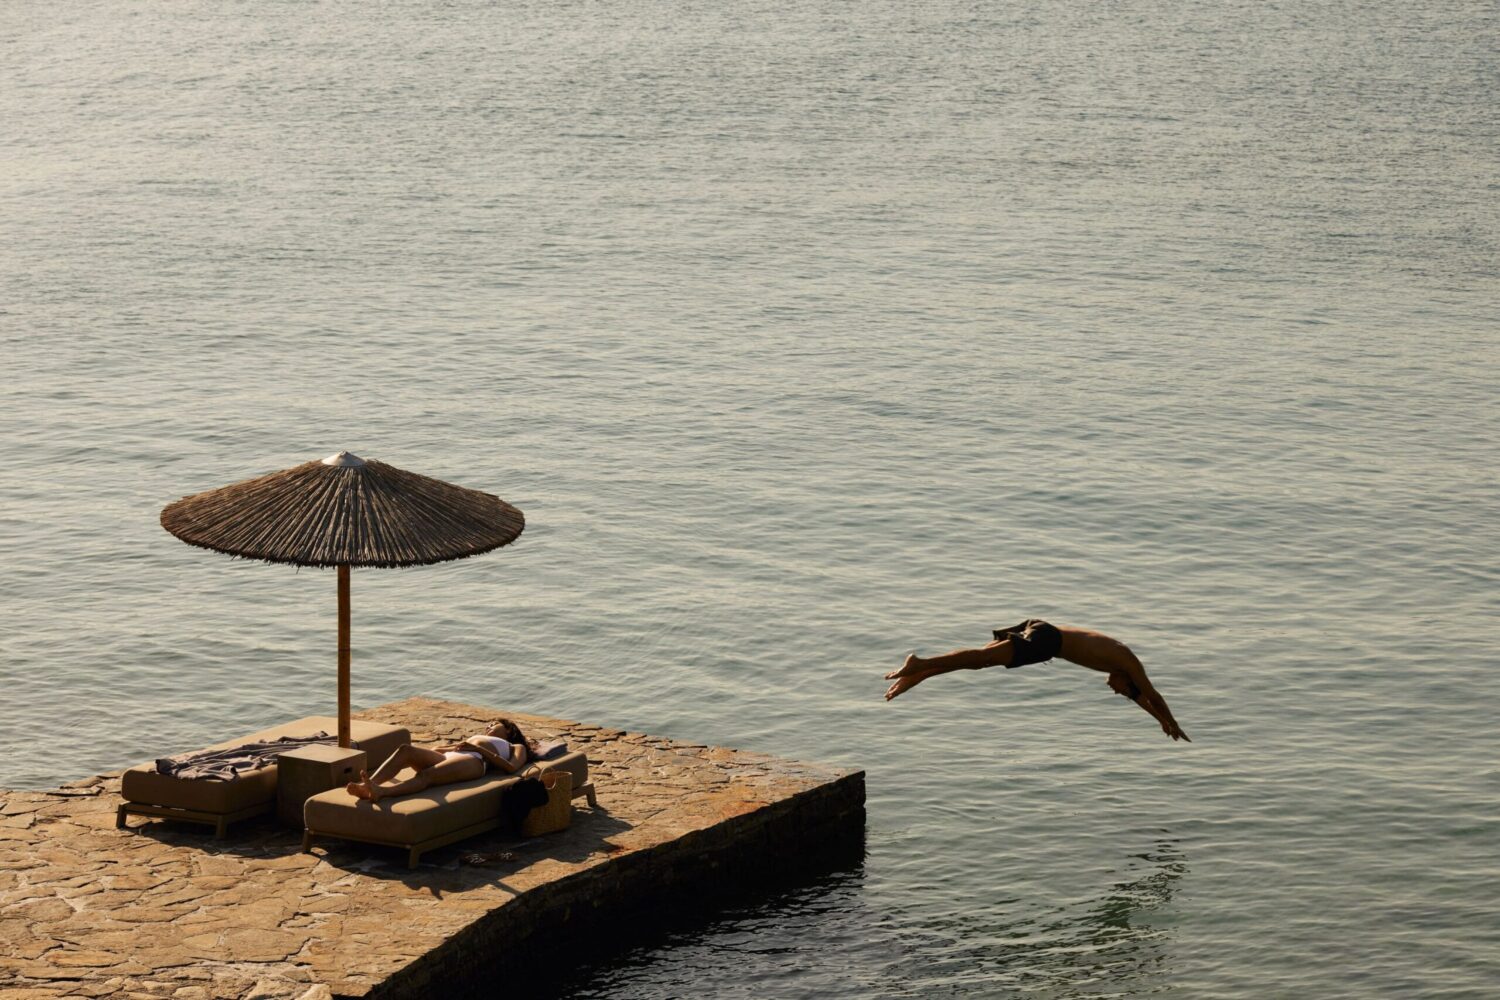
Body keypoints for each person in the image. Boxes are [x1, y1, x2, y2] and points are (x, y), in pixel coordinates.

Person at [883, 619, 1190, 741]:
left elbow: (1138, 698)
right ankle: (919, 664)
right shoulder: (1129, 663)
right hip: (1048, 641)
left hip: (1042, 629)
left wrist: (1159, 722)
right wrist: (1171, 722)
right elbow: (1151, 695)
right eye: (1119, 690)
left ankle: (918, 674)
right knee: (979, 658)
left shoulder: (1117, 665)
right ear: (1127, 679)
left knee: (978, 663)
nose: (1115, 690)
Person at [346, 718, 534, 802]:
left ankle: (382, 792)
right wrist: (454, 747)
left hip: (475, 761)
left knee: (427, 775)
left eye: (494, 724)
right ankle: (369, 786)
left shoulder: (516, 747)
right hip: (453, 756)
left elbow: (511, 768)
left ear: (508, 730)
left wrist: (477, 748)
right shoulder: (477, 738)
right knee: (405, 750)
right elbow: (436, 749)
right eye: (487, 725)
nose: (489, 726)